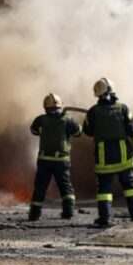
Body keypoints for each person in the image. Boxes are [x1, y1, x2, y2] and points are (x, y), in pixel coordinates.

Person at [83, 77, 133, 227]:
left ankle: (104, 218)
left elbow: (87, 131)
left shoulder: (93, 112)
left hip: (103, 157)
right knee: (130, 186)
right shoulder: (123, 109)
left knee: (104, 190)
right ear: (112, 91)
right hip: (123, 156)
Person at [28, 93, 82, 221]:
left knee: (40, 187)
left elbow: (34, 131)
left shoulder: (40, 120)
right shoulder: (67, 120)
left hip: (44, 160)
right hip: (61, 160)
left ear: (45, 107)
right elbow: (78, 132)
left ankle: (34, 215)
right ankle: (68, 212)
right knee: (65, 187)